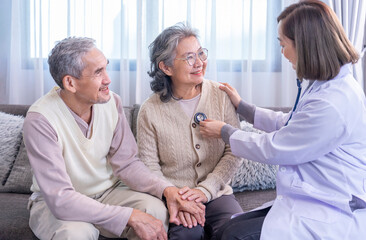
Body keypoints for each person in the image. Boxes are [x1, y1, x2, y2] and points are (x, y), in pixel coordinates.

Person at [199, 0, 366, 239]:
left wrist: (225, 131)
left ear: (306, 46)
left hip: (331, 206)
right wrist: (245, 108)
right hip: (311, 196)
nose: (282, 52)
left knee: (233, 235)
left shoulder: (333, 102)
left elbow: (277, 147)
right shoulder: (325, 85)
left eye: (283, 44)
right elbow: (292, 123)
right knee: (226, 229)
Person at [23, 37, 205, 240]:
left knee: (154, 210)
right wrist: (129, 216)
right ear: (70, 82)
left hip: (108, 192)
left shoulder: (111, 102)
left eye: (105, 68)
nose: (108, 79)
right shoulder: (40, 119)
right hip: (57, 204)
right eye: (98, 72)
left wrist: (168, 190)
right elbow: (61, 199)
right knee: (75, 234)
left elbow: (127, 164)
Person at [136, 23, 243, 240]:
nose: (200, 63)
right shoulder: (150, 110)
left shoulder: (220, 95)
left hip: (217, 194)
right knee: (186, 236)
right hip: (177, 198)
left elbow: (235, 150)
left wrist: (205, 190)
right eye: (189, 57)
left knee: (239, 233)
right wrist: (176, 196)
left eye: (201, 53)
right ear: (166, 67)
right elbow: (149, 167)